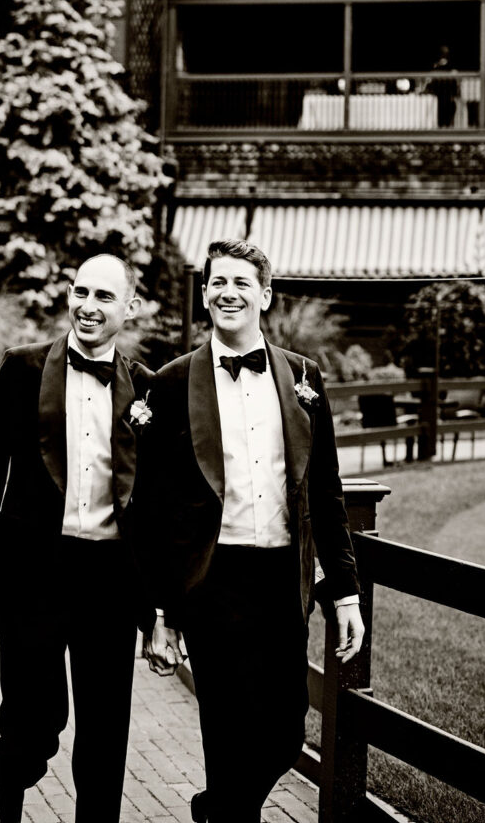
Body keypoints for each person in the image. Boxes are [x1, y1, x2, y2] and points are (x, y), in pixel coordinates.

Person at [137, 239, 364, 823]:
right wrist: (160, 613)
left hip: (283, 581)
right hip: (213, 581)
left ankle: (217, 809)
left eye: (242, 282)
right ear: (205, 294)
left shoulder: (304, 377)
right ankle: (230, 813)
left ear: (264, 295)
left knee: (286, 735)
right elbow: (155, 509)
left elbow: (326, 490)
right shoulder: (170, 382)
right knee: (228, 731)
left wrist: (344, 591)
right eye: (218, 282)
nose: (228, 292)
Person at [0, 254, 154, 823]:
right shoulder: (21, 369)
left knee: (105, 728)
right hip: (33, 576)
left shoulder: (144, 388)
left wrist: (159, 609)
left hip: (111, 581)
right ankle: (10, 801)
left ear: (129, 307)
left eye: (105, 297)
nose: (88, 306)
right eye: (80, 291)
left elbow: (156, 506)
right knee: (29, 722)